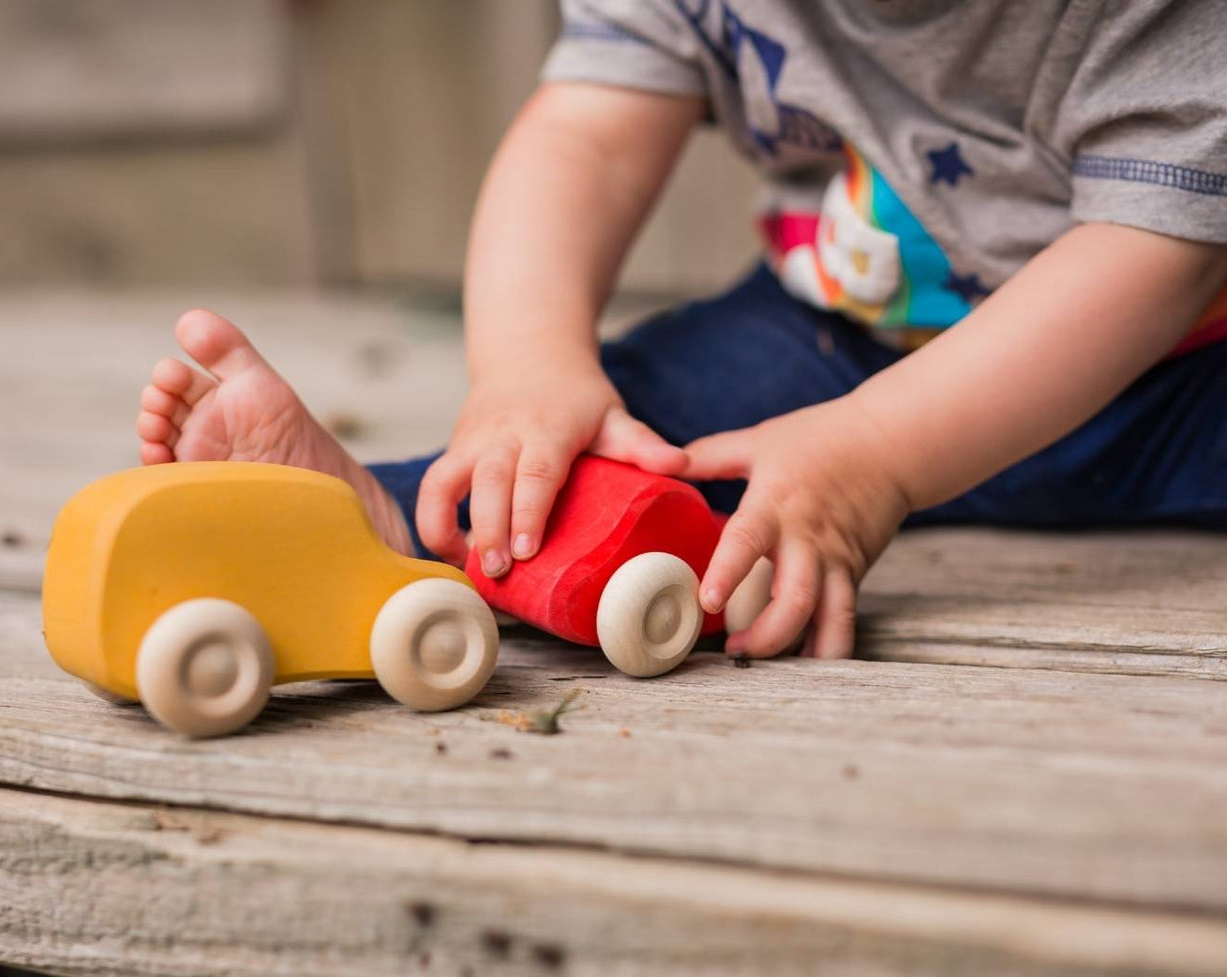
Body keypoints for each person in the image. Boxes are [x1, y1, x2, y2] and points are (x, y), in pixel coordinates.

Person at [135, 1, 1227, 660]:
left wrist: (880, 453)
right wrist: (527, 367)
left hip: (1181, 371)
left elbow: (1153, 255)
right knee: (607, 430)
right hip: (842, 336)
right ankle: (388, 518)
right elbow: (587, 141)